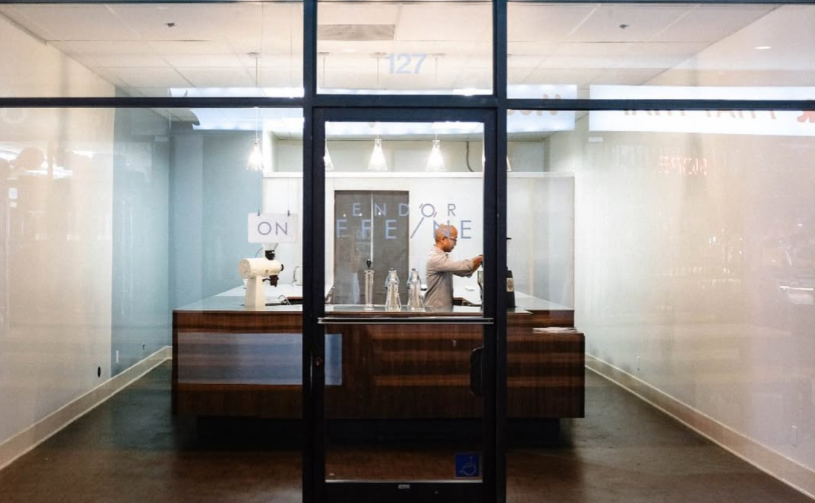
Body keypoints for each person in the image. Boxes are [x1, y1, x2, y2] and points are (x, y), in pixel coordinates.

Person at [424, 224, 483, 311]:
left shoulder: (443, 257)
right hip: (436, 312)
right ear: (443, 239)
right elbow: (465, 266)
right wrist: (481, 257)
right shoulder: (435, 258)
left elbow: (465, 272)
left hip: (442, 310)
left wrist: (480, 261)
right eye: (454, 239)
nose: (455, 243)